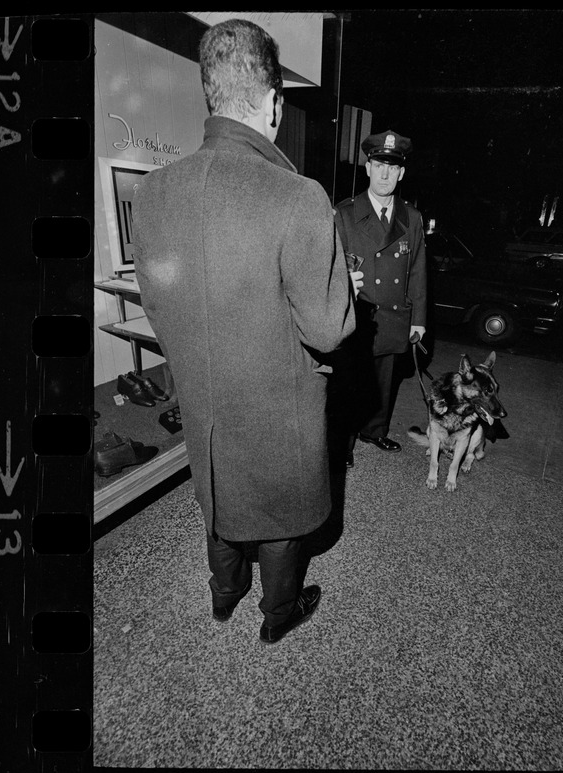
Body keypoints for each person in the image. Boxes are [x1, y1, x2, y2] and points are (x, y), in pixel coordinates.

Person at [132, 19, 359, 645]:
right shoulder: (297, 196)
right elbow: (330, 328)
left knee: (220, 491)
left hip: (205, 397)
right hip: (276, 403)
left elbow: (157, 302)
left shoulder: (152, 194)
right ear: (272, 103)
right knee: (281, 512)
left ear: (213, 95)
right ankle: (278, 614)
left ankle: (224, 597)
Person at [333, 130, 427, 464]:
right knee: (349, 384)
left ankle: (375, 431)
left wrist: (419, 320)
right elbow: (330, 269)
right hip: (356, 316)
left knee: (384, 382)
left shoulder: (411, 218)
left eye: (392, 166)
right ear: (368, 168)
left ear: (401, 172)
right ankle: (342, 443)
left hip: (393, 316)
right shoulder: (344, 215)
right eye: (378, 164)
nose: (385, 173)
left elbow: (416, 269)